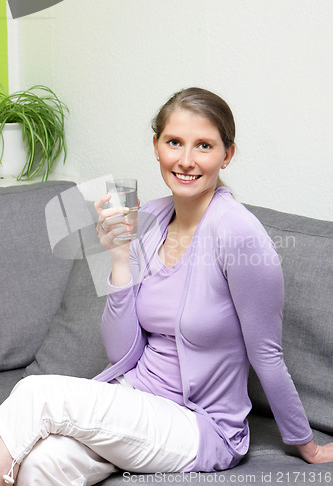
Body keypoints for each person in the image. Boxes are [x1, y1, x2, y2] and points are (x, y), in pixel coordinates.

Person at [1, 87, 333, 485]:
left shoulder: (239, 233)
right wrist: (120, 258)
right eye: (175, 142)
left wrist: (306, 444)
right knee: (45, 463)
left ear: (227, 155)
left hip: (201, 427)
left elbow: (267, 354)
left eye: (204, 145)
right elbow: (122, 351)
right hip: (135, 401)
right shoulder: (151, 218)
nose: (187, 160)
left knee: (36, 393)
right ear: (157, 146)